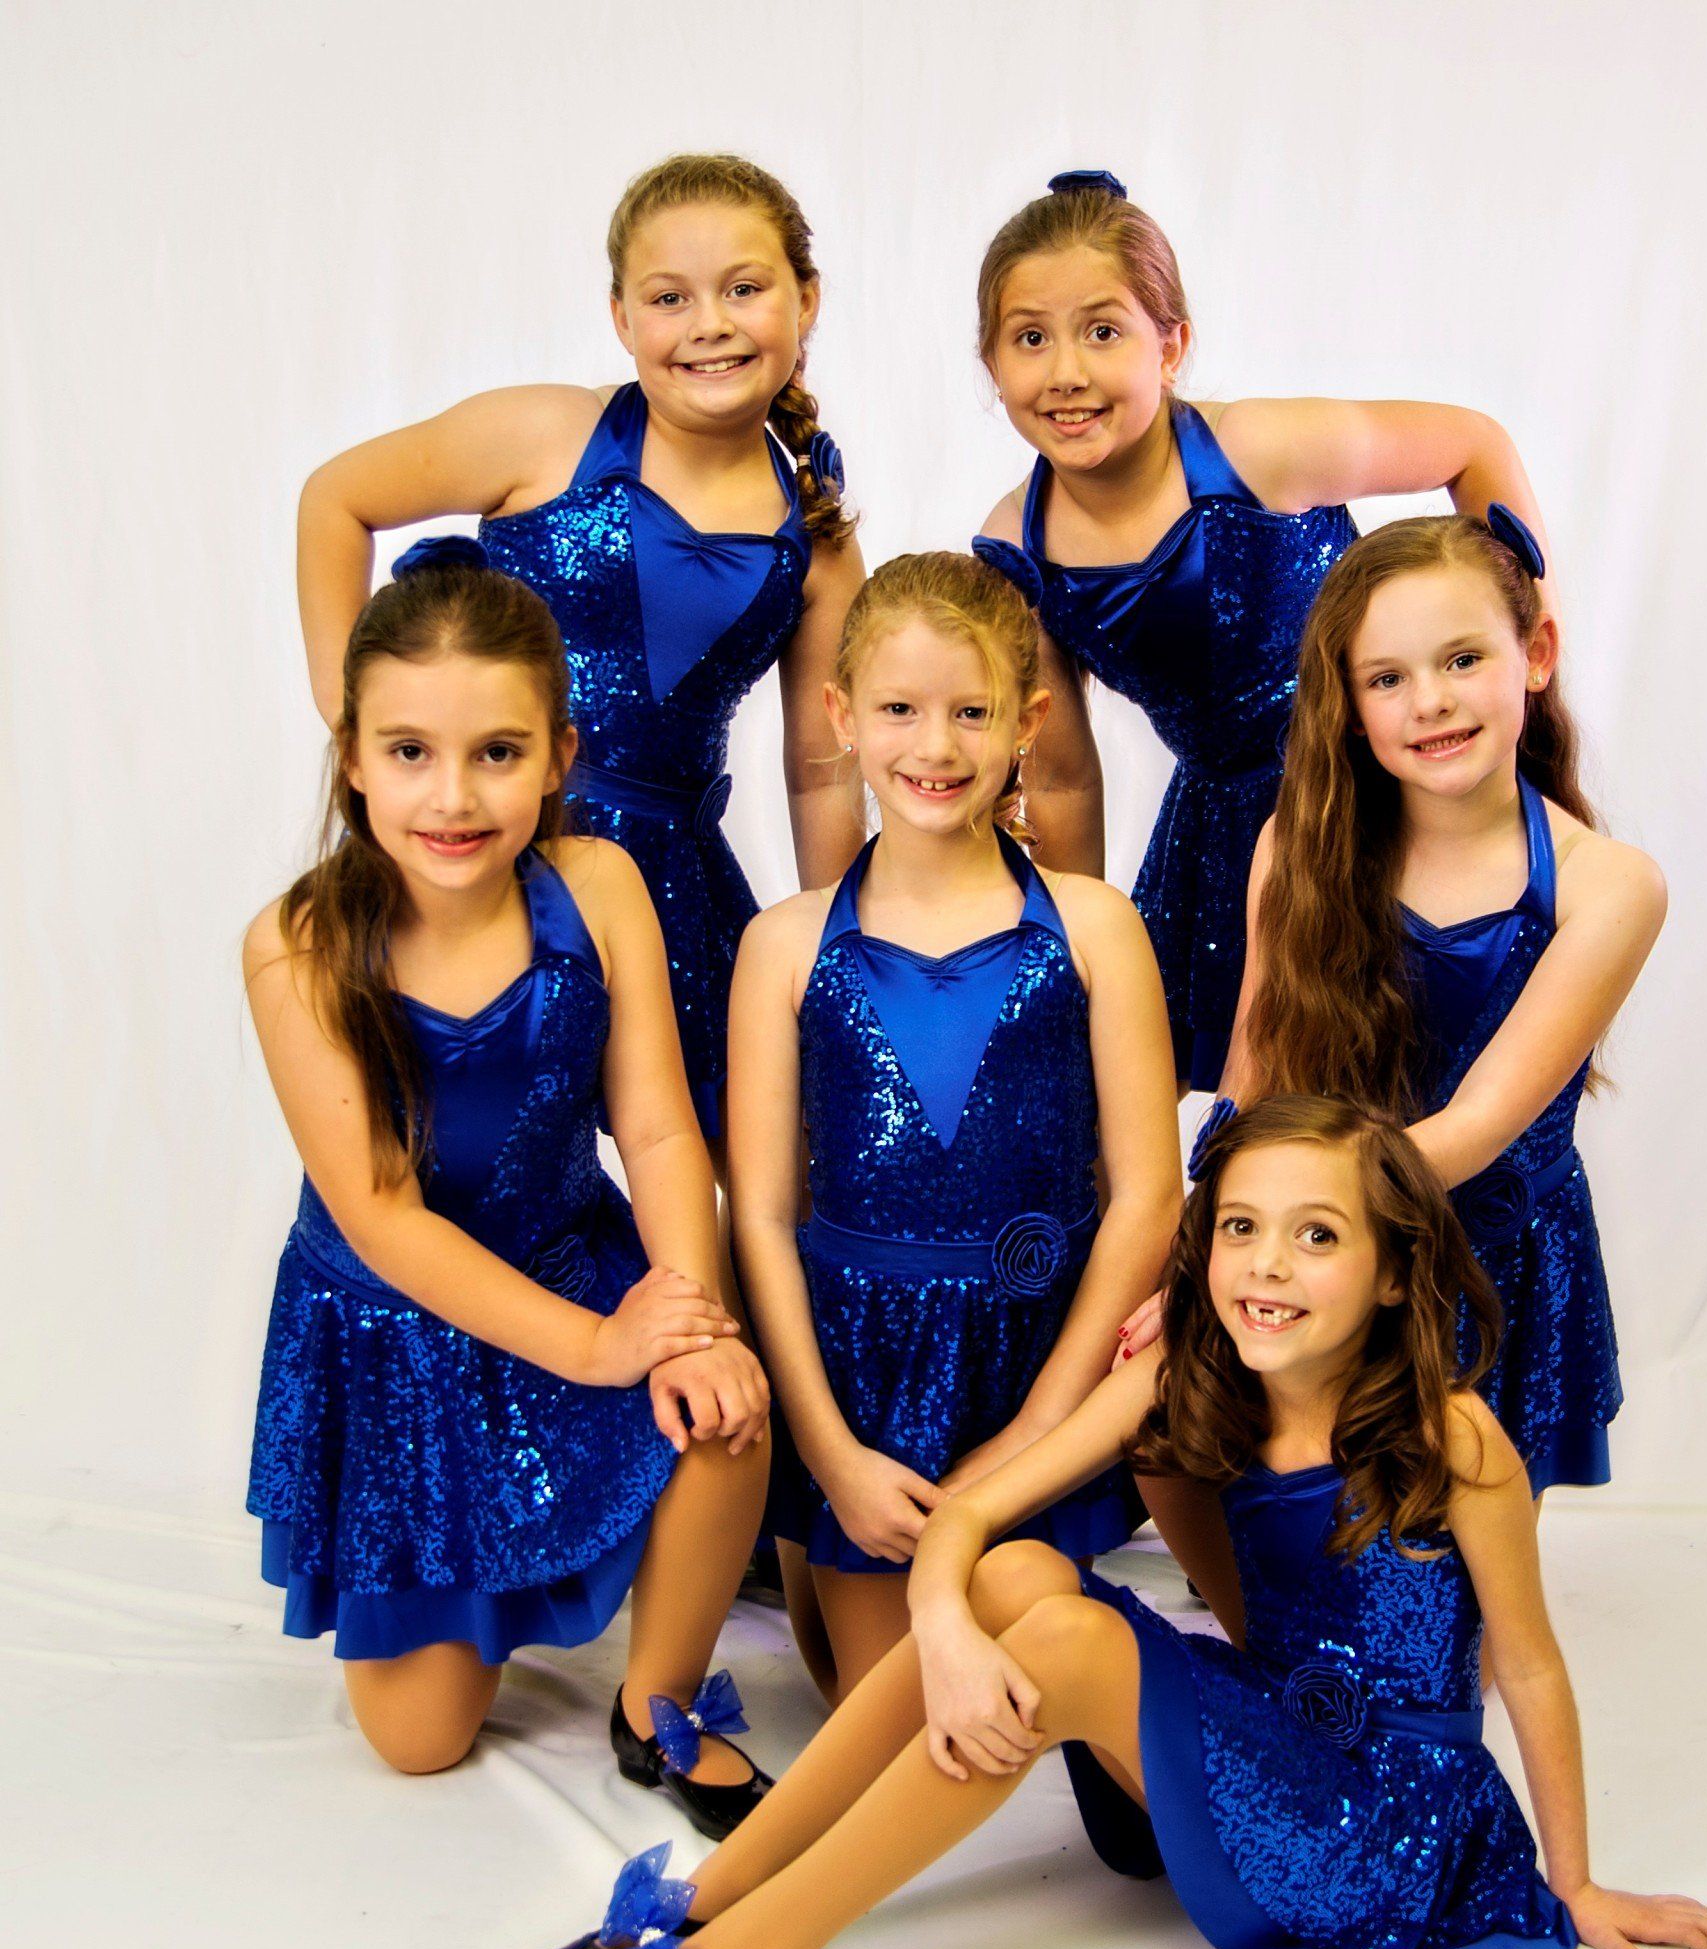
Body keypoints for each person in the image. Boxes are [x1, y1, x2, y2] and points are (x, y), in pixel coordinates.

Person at [505, 1097, 1707, 1949]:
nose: (1268, 1262)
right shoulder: (1193, 1378)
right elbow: (979, 1512)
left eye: (1319, 1234)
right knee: (1021, 1572)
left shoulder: (1455, 1435)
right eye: (1244, 1226)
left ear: (1391, 1271)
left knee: (1074, 1647)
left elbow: (1526, 1661)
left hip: (1380, 1821)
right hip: (1263, 1740)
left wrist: (1574, 1879)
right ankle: (713, 1891)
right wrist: (940, 1617)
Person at [244, 549, 773, 1826]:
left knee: (727, 1410)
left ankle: (656, 1697)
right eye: (411, 751)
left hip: (565, 1256)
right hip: (399, 1337)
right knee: (421, 1742)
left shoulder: (597, 887)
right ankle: (476, 1588)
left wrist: (685, 1312)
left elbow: (652, 1128)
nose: (453, 796)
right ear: (354, 756)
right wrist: (602, 1350)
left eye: (496, 751)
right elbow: (384, 1217)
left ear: (559, 754)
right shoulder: (301, 946)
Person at [296, 153, 865, 1142]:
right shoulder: (546, 431)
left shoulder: (815, 533)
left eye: (745, 288)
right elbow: (335, 500)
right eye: (669, 297)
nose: (710, 323)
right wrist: (353, 716)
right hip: (482, 842)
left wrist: (836, 940)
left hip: (672, 887)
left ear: (804, 299)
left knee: (738, 1140)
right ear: (621, 317)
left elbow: (820, 766)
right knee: (472, 1134)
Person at [972, 170, 1553, 1093]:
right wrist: (1075, 941)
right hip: (1219, 834)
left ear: (1171, 347)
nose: (1067, 371)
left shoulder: (1258, 450)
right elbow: (1067, 774)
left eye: (1103, 331)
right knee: (1224, 1098)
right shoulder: (1019, 547)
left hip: (1373, 783)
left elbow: (1472, 443)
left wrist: (1530, 628)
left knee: (1412, 1068)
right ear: (991, 364)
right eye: (1031, 339)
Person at [1126, 508, 1661, 1497]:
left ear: (1535, 653)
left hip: (1481, 1265)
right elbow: (1254, 1070)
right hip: (1317, 1245)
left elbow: (1474, 1125)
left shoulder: (1609, 885)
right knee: (1157, 1417)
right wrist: (1207, 1252)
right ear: (1350, 702)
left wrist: (1283, 1229)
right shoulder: (1299, 841)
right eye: (1388, 677)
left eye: (1462, 658)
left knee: (1426, 1611)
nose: (1432, 701)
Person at [727, 551, 1183, 1699]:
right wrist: (829, 1452)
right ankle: (802, 1527)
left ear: (1026, 720)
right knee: (876, 1705)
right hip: (858, 1372)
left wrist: (1038, 1427)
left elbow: (1146, 1194)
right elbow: (767, 1213)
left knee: (1017, 1662)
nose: (935, 747)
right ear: (841, 715)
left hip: (1036, 1356)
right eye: (899, 710)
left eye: (971, 713)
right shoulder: (783, 946)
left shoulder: (1094, 926)